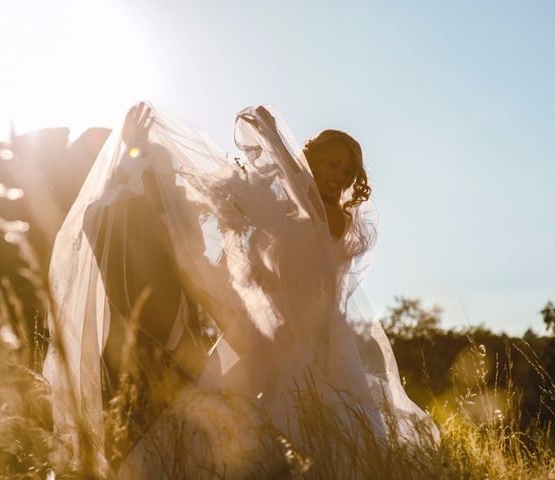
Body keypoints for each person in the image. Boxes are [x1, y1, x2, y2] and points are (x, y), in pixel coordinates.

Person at [44, 102, 437, 478]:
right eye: (334, 164)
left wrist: (276, 142)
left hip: (317, 345)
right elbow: (264, 266)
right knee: (217, 417)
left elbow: (306, 219)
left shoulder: (336, 219)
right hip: (271, 335)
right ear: (315, 161)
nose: (342, 176)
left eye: (349, 171)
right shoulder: (290, 211)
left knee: (314, 424)